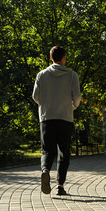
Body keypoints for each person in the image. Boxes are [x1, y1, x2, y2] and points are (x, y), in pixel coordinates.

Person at [32, 45, 81, 195]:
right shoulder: (72, 75)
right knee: (64, 152)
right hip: (65, 118)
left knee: (47, 150)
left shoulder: (41, 74)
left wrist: (45, 105)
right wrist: (72, 107)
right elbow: (77, 97)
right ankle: (60, 186)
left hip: (47, 118)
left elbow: (35, 96)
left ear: (51, 58)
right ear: (64, 58)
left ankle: (45, 170)